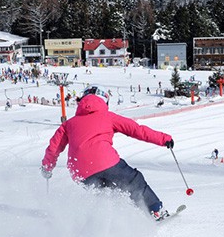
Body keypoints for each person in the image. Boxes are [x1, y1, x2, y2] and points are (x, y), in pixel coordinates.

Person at [41, 86, 174, 219]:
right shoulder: (108, 116)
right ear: (104, 101)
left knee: (106, 194)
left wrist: (47, 167)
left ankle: (110, 223)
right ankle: (155, 211)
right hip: (106, 162)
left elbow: (54, 148)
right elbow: (137, 130)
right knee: (134, 181)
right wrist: (164, 139)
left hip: (79, 172)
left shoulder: (69, 124)